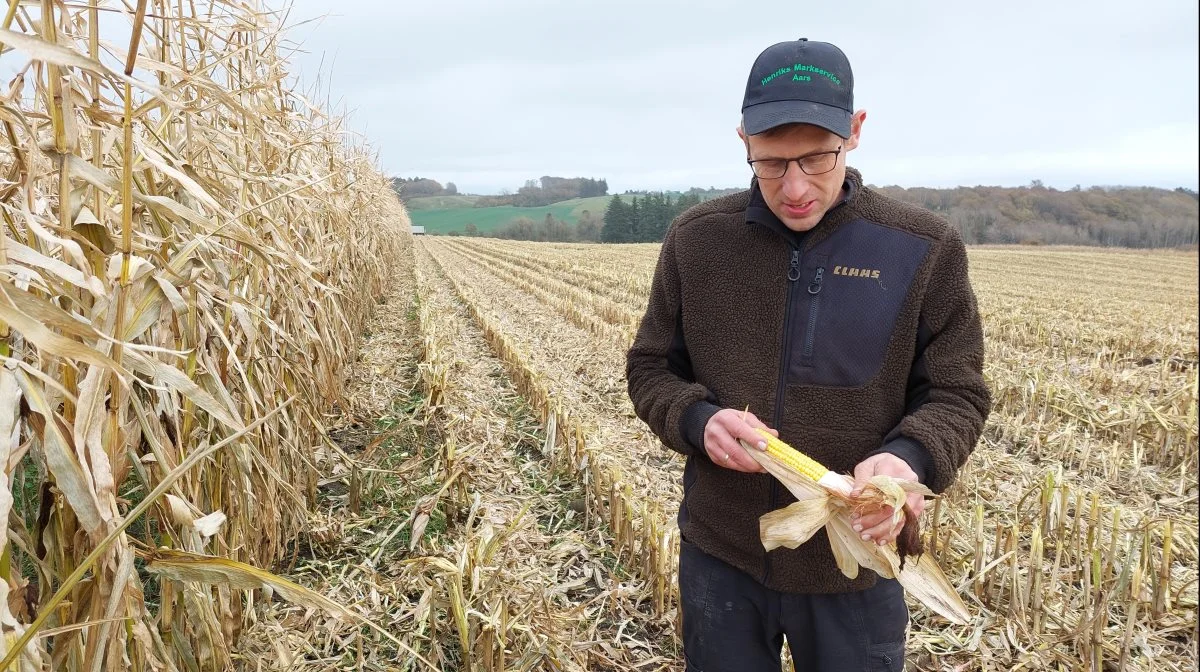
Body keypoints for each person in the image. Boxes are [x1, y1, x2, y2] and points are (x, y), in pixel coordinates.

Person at [626, 38, 990, 671]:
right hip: (723, 557)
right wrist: (697, 420)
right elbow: (651, 367)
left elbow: (957, 392)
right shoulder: (697, 240)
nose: (794, 187)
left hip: (858, 570)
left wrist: (907, 461)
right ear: (743, 140)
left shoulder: (922, 248)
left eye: (818, 158)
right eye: (770, 163)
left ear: (854, 131)